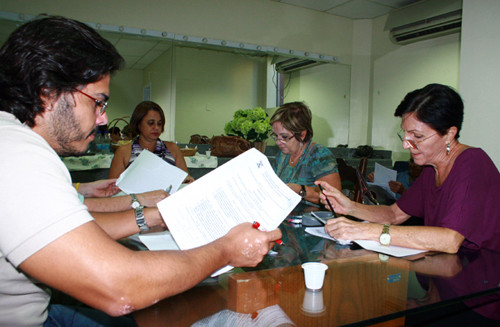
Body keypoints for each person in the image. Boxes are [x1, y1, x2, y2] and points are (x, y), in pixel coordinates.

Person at [0, 15, 281, 326]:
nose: (103, 120)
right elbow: (120, 288)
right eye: (98, 102)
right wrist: (226, 249)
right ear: (48, 91)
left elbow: (73, 232)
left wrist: (149, 216)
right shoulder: (16, 153)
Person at [317, 84, 500, 253]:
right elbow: (393, 214)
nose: (406, 144)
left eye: (417, 136)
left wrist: (366, 230)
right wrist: (349, 207)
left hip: (481, 274)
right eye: (404, 133)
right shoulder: (431, 168)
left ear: (449, 134)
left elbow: (450, 239)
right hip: (443, 269)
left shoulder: (472, 164)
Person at [269, 101, 341, 205]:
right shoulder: (282, 155)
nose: (278, 142)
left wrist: (300, 190)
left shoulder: (319, 155)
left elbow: (333, 198)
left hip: (312, 218)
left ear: (302, 134)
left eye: (284, 137)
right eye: (275, 135)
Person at [109, 101, 195, 183]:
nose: (156, 127)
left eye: (159, 124)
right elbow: (112, 187)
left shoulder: (172, 149)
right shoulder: (123, 152)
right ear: (138, 124)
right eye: (151, 123)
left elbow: (185, 180)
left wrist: (187, 180)